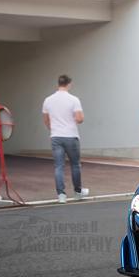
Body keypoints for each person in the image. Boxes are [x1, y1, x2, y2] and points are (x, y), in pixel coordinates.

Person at [42, 74, 89, 204]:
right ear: (69, 84)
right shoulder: (73, 99)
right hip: (71, 136)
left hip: (56, 136)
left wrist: (54, 128)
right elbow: (80, 119)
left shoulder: (48, 100)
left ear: (58, 84)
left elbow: (46, 119)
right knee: (75, 165)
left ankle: (61, 195)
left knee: (58, 166)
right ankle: (78, 192)